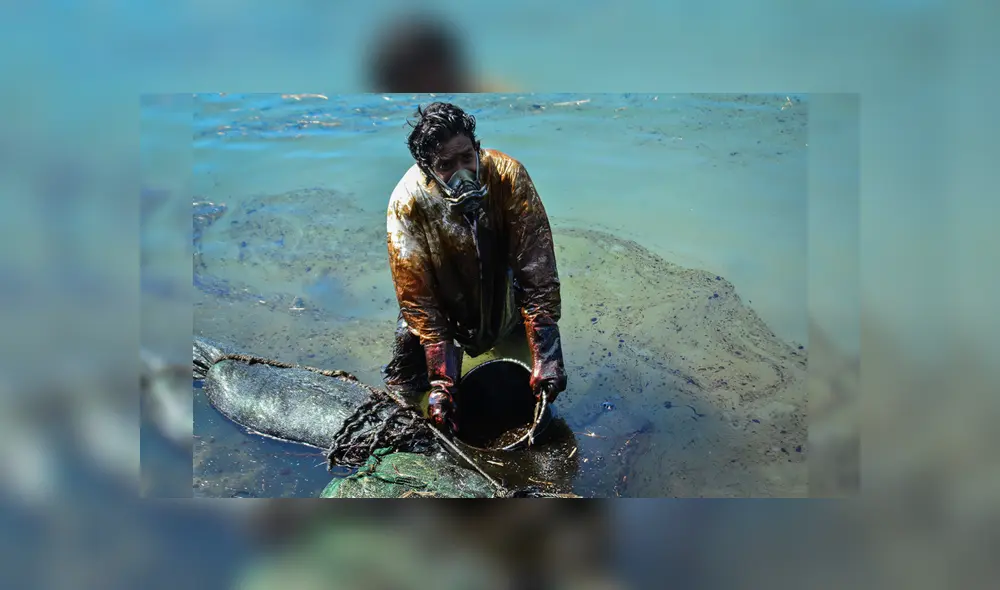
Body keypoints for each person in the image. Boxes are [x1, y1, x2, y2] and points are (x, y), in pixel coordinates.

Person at [382, 102, 567, 431]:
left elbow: (536, 267)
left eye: (467, 158)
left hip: (502, 297)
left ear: (477, 149)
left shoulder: (508, 176)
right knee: (407, 394)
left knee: (532, 391)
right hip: (441, 310)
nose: (462, 171)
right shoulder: (406, 203)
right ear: (426, 168)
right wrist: (442, 384)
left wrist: (548, 356)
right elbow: (417, 298)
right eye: (446, 165)